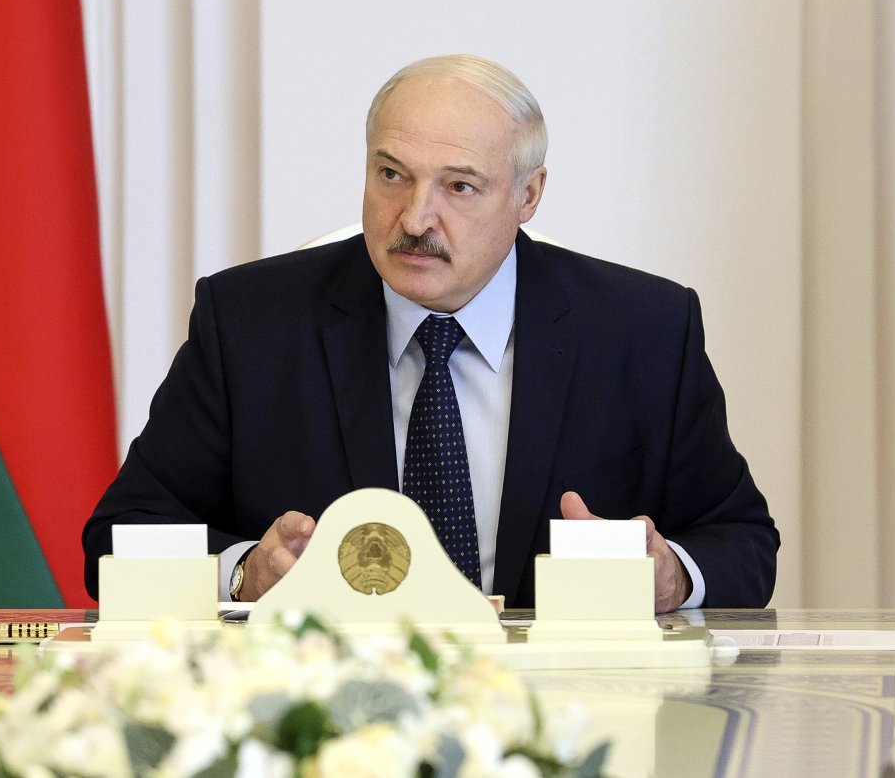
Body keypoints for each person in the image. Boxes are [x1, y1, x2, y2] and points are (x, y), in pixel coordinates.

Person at [82, 54, 777, 611]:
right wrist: (242, 575)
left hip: (563, 715)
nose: (415, 218)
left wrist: (672, 577)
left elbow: (740, 538)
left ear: (528, 195)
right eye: (392, 175)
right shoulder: (251, 324)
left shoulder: (641, 330)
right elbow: (118, 538)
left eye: (459, 187)